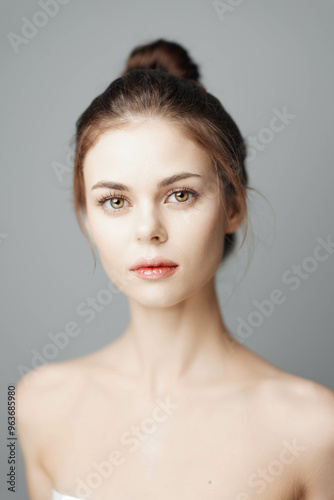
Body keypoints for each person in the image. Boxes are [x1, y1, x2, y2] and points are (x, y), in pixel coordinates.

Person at [17, 39, 334, 500]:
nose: (148, 230)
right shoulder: (32, 405)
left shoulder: (315, 430)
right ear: (87, 217)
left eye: (180, 194)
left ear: (233, 207)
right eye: (115, 201)